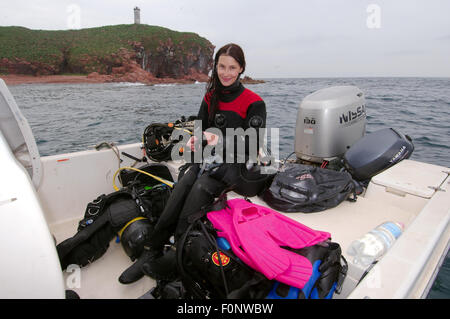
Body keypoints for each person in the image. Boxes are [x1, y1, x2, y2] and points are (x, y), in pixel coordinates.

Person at [119, 43, 268, 284]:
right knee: (184, 181)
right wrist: (194, 143)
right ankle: (152, 249)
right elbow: (199, 132)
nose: (226, 72)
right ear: (215, 67)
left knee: (200, 187)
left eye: (232, 67)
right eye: (221, 66)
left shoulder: (254, 102)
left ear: (241, 68)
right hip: (211, 160)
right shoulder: (211, 97)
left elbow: (252, 146)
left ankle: (179, 255)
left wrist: (218, 139)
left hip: (238, 166)